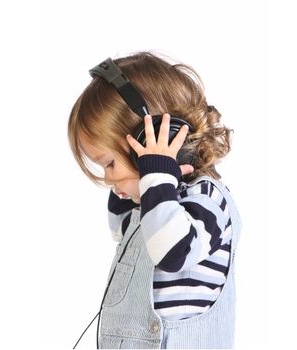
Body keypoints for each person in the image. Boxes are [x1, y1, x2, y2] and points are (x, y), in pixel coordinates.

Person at [67, 51, 242, 349]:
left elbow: (173, 253)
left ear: (148, 145)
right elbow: (121, 230)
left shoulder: (207, 200)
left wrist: (156, 173)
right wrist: (143, 183)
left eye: (109, 164)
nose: (108, 179)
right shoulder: (147, 206)